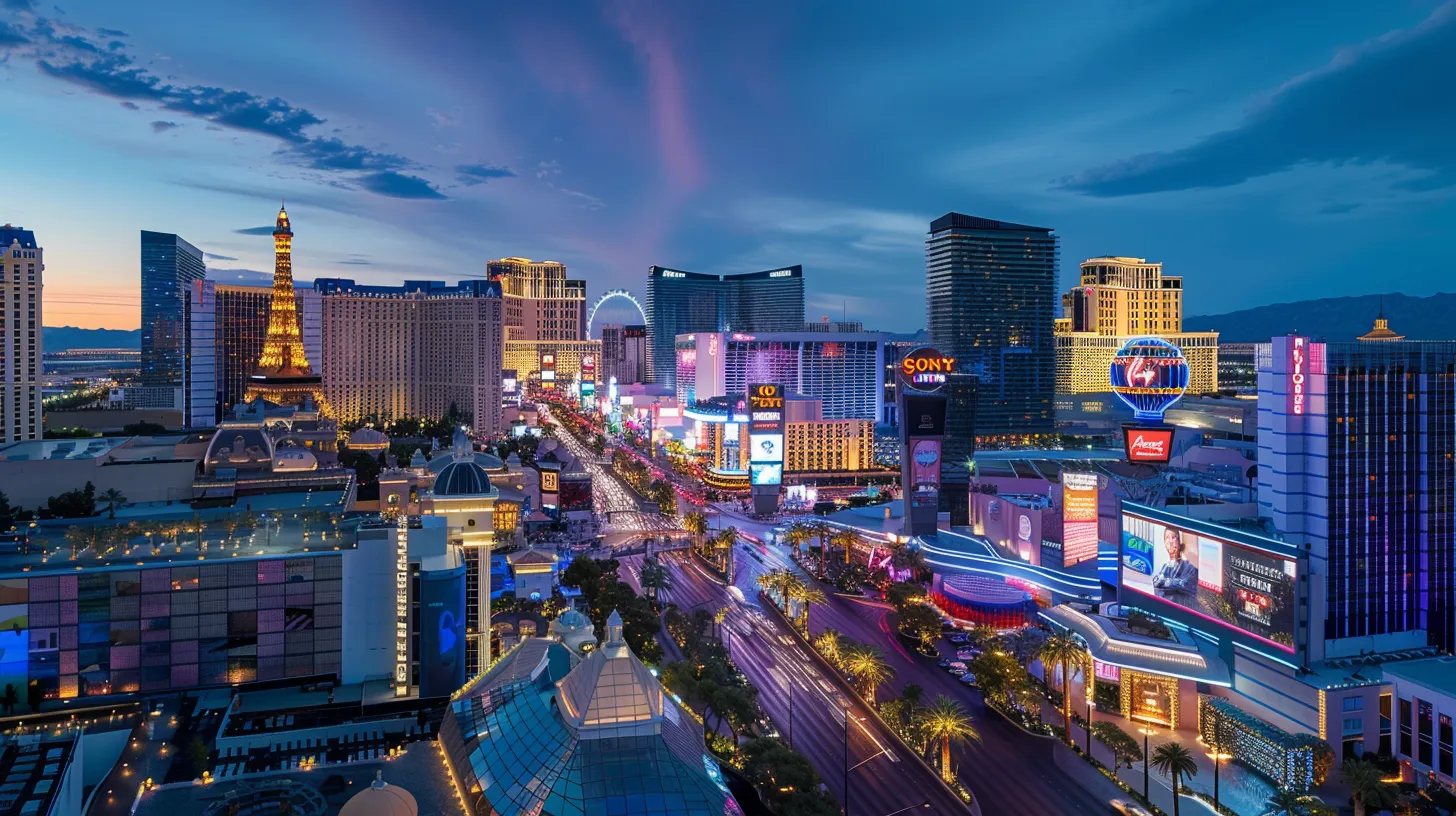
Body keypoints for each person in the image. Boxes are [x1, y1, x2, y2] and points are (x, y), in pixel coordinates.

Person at [1151, 527, 1198, 604]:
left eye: (1173, 537)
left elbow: (1185, 585)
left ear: (1180, 541)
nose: (1170, 541)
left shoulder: (1189, 566)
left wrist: (1166, 582)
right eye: (1167, 538)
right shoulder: (1165, 567)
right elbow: (1156, 583)